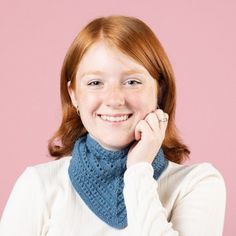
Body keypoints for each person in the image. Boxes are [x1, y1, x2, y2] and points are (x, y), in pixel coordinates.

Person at [0, 15, 226, 236]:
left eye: (132, 82)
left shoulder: (196, 184)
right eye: (95, 83)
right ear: (74, 95)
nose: (115, 99)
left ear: (160, 90)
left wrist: (138, 170)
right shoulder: (39, 185)